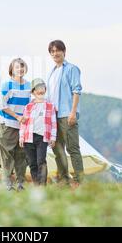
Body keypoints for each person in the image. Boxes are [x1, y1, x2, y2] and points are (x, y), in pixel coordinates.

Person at [46, 40, 84, 188]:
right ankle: (64, 181)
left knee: (72, 148)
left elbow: (76, 91)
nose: (55, 53)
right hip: (53, 117)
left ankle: (80, 181)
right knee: (58, 149)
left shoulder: (72, 69)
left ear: (64, 52)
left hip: (66, 115)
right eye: (52, 51)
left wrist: (73, 112)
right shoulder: (52, 72)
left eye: (58, 50)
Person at [0, 58, 30, 191]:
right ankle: (7, 185)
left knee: (22, 155)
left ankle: (21, 183)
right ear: (12, 69)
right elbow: (2, 105)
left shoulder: (29, 86)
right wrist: (17, 116)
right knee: (7, 155)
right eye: (17, 67)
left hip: (22, 126)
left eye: (22, 67)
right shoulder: (7, 85)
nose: (20, 69)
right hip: (7, 124)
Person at [19, 78, 56, 186]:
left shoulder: (50, 106)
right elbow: (23, 123)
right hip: (28, 138)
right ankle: (36, 184)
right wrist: (21, 137)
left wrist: (53, 137)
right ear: (33, 92)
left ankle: (42, 185)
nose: (40, 91)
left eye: (42, 88)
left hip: (42, 138)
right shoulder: (28, 107)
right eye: (37, 89)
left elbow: (53, 123)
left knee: (41, 161)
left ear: (45, 89)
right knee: (32, 163)